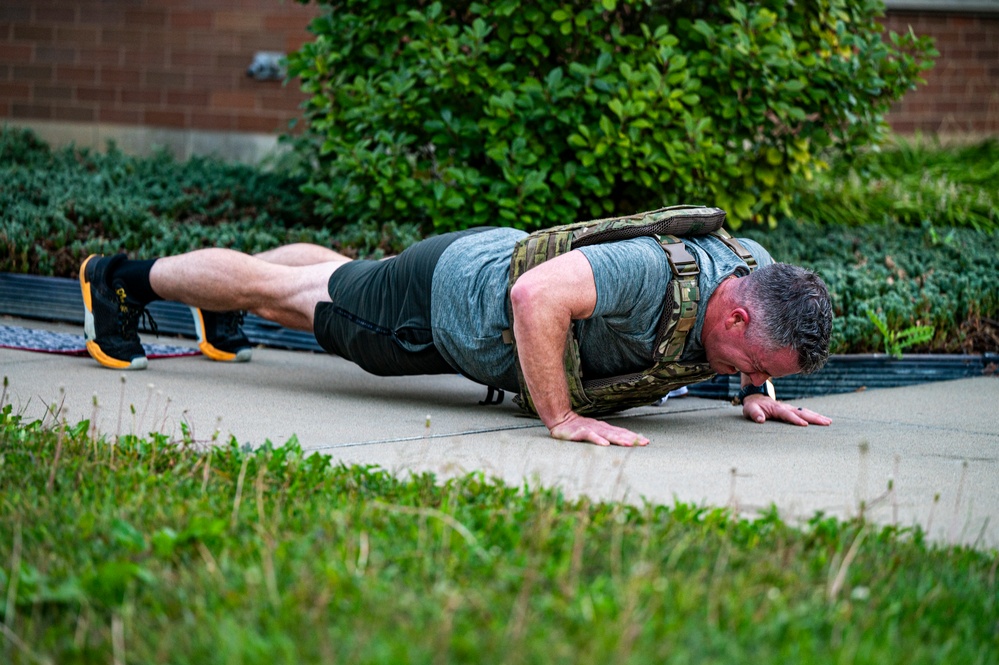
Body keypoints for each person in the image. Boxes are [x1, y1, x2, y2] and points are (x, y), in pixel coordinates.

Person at [79, 222, 833, 447]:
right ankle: (121, 278)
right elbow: (535, 294)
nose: (742, 370)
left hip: (465, 264)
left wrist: (754, 389)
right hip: (440, 308)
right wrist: (561, 416)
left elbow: (746, 336)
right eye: (751, 361)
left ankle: (216, 304)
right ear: (734, 314)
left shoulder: (751, 270)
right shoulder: (646, 275)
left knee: (327, 280)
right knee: (291, 294)